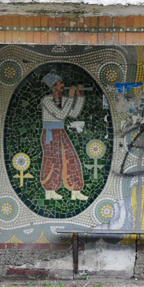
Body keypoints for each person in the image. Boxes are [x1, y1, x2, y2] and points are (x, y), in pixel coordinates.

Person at [39, 72, 88, 201]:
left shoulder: (64, 100)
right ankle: (50, 190)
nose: (63, 85)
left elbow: (73, 114)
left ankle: (75, 190)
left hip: (60, 132)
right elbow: (60, 115)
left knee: (71, 158)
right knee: (52, 161)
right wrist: (71, 98)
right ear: (53, 86)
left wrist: (80, 96)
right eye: (60, 83)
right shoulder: (47, 100)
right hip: (50, 133)